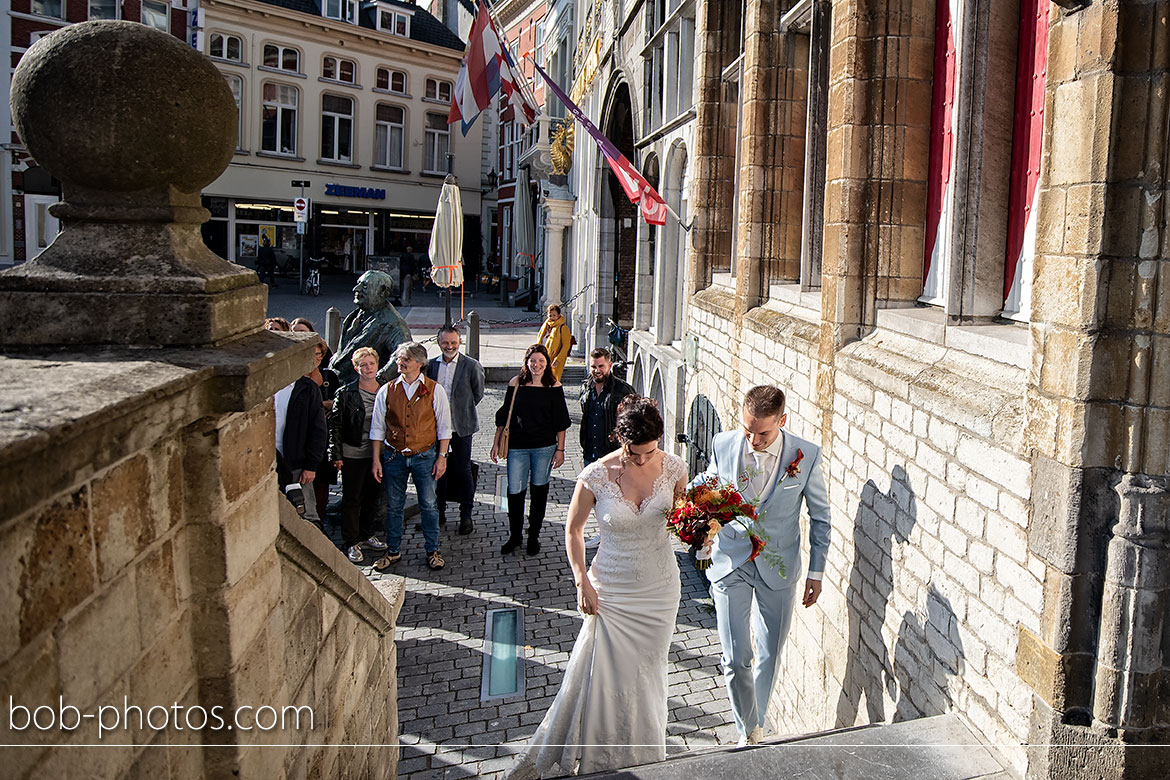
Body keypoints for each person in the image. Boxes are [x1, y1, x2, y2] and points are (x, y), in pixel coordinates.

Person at [506, 397, 687, 779]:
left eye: (650, 451)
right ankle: (599, 759)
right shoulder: (595, 475)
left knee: (649, 673)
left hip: (659, 588)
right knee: (605, 677)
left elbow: (684, 521)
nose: (644, 460)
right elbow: (572, 530)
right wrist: (581, 581)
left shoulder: (675, 468)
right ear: (620, 440)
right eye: (636, 454)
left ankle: (646, 756)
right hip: (611, 590)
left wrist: (701, 533)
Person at [700, 385, 831, 747]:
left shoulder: (807, 455)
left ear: (782, 421)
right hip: (731, 561)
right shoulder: (722, 444)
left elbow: (821, 518)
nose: (753, 439)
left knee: (770, 654)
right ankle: (749, 732)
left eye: (763, 432)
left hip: (780, 566)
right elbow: (707, 485)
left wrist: (816, 573)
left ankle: (754, 722)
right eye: (748, 430)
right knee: (736, 656)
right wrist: (689, 508)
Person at [370, 342, 452, 571]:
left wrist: (442, 456)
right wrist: (376, 459)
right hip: (394, 456)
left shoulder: (435, 390)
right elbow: (377, 428)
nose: (400, 362)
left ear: (420, 363)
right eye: (399, 358)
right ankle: (393, 550)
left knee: (429, 504)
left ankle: (432, 550)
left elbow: (445, 427)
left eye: (405, 359)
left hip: (424, 455)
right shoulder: (387, 390)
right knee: (394, 506)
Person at [490, 344, 571, 556]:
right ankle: (515, 535)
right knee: (514, 492)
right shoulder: (516, 383)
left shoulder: (554, 386)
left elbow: (561, 422)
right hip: (517, 447)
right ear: (527, 362)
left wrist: (560, 449)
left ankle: (533, 535)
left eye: (541, 361)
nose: (537, 365)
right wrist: (496, 442)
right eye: (533, 361)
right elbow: (503, 416)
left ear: (547, 363)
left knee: (539, 491)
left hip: (544, 448)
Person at [329, 347, 388, 564]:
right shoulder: (346, 393)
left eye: (371, 364)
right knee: (352, 498)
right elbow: (335, 425)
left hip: (379, 453)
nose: (368, 368)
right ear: (356, 368)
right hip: (353, 452)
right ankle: (351, 541)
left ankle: (366, 533)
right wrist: (335, 454)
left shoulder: (385, 389)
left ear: (377, 365)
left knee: (373, 496)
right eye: (363, 365)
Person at [426, 326, 485, 535]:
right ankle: (438, 513)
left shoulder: (471, 365)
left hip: (461, 427)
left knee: (463, 469)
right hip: (436, 428)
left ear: (460, 342)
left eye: (453, 343)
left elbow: (478, 393)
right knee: (436, 470)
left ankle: (465, 515)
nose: (449, 346)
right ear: (439, 342)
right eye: (445, 343)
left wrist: (461, 411)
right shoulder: (431, 366)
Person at [578, 346, 636, 549]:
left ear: (609, 365)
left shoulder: (622, 390)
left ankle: (617, 536)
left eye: (601, 366)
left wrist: (620, 438)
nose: (596, 370)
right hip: (591, 451)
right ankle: (604, 533)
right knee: (596, 497)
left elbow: (634, 419)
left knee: (615, 497)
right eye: (593, 366)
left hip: (612, 453)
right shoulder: (586, 388)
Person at [273, 338, 329, 529]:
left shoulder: (307, 388)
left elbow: (318, 430)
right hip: (270, 461)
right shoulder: (268, 388)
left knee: (306, 516)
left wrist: (311, 466)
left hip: (296, 463)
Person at [330, 270, 412, 385]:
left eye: (364, 286)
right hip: (338, 385)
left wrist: (376, 380)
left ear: (382, 292)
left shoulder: (393, 323)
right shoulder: (355, 315)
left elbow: (402, 355)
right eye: (358, 284)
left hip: (361, 392)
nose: (356, 289)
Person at [536, 304, 572, 381]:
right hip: (542, 358)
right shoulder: (545, 326)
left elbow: (566, 345)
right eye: (550, 315)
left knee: (553, 381)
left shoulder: (563, 328)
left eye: (554, 315)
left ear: (559, 315)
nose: (552, 318)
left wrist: (558, 359)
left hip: (554, 360)